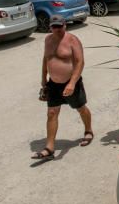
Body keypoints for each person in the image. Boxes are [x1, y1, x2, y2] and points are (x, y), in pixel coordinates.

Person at [32, 15, 93, 160]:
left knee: (81, 108)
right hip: (53, 84)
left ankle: (88, 130)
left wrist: (72, 83)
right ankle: (50, 147)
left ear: (65, 25)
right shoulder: (48, 40)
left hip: (71, 82)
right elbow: (45, 59)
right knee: (52, 113)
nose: (57, 29)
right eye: (54, 26)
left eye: (60, 26)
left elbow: (80, 62)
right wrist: (43, 78)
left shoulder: (72, 40)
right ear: (50, 27)